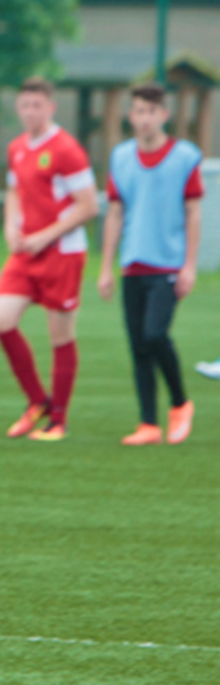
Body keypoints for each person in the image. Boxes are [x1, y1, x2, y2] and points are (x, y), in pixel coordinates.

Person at [0, 77, 99, 441]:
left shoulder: (67, 149)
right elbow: (12, 191)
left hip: (62, 254)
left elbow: (89, 206)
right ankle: (37, 401)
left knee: (60, 335)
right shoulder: (17, 147)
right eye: (25, 105)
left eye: (38, 105)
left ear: (51, 107)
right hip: (26, 254)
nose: (30, 112)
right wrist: (10, 226)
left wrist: (44, 237)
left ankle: (59, 420)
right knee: (1, 321)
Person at [97, 83, 202, 445]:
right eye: (139, 111)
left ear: (164, 115)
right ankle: (148, 424)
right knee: (138, 345)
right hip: (133, 265)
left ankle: (180, 403)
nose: (144, 119)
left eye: (151, 111)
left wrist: (189, 265)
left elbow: (193, 211)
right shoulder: (121, 157)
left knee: (155, 334)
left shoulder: (185, 156)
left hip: (168, 265)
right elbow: (114, 212)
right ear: (131, 116)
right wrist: (106, 267)